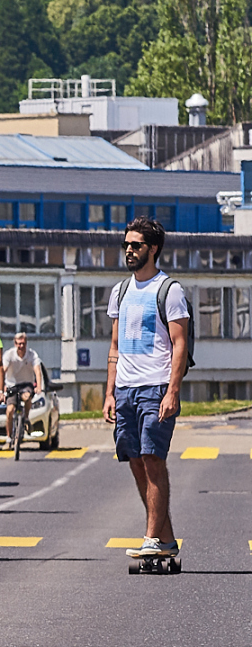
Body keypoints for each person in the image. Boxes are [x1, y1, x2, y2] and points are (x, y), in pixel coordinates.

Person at [102, 216, 190, 560]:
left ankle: (152, 536)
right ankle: (165, 538)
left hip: (155, 387)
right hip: (125, 388)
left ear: (153, 249)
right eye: (126, 244)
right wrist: (109, 392)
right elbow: (114, 347)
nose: (129, 250)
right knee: (135, 461)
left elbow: (179, 344)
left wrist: (172, 391)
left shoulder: (170, 290)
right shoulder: (120, 291)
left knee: (153, 459)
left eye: (136, 245)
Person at [1, 331, 44, 444]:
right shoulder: (9, 355)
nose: (21, 346)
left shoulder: (32, 355)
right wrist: (0, 386)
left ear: (26, 343)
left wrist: (38, 386)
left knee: (27, 397)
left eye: (23, 343)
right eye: (19, 344)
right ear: (15, 344)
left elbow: (37, 371)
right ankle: (9, 437)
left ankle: (25, 417)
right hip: (12, 385)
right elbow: (3, 370)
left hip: (26, 384)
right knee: (10, 410)